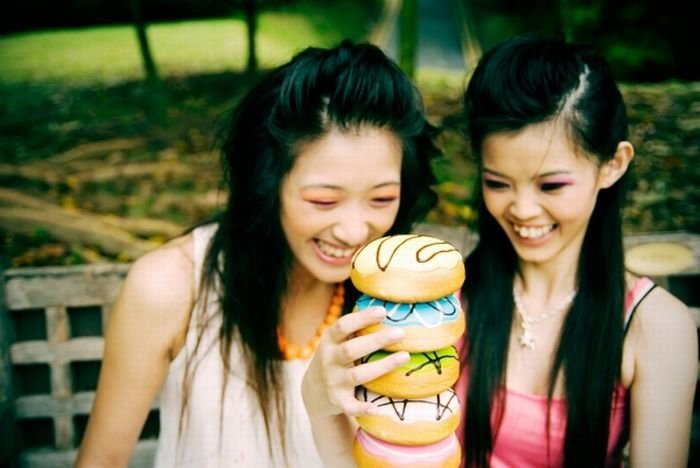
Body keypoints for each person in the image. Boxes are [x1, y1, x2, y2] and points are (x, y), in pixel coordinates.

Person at [302, 35, 698, 467]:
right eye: (497, 183)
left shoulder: (655, 326)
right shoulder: (440, 309)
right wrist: (321, 409)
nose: (523, 209)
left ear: (612, 165)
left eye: (551, 185)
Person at [74, 39, 440, 467]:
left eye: (381, 200)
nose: (354, 231)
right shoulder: (171, 285)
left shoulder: (402, 303)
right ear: (268, 186)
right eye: (323, 201)